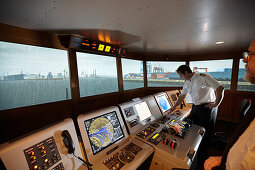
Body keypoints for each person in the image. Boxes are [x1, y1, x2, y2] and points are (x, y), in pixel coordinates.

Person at [204, 39, 255, 170]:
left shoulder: (203, 77)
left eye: (250, 54)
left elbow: (220, 88)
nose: (244, 60)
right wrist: (224, 158)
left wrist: (215, 104)